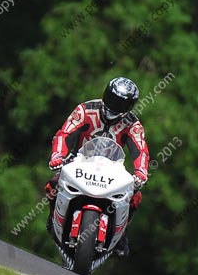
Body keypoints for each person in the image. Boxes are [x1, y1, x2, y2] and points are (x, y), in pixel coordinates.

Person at [45, 77, 149, 256]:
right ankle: (53, 217)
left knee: (135, 197)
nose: (113, 106)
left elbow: (140, 150)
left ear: (130, 106)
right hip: (79, 161)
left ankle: (122, 233)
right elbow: (64, 134)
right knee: (53, 184)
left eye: (120, 104)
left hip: (112, 169)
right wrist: (57, 156)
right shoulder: (84, 110)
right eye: (111, 98)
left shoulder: (133, 124)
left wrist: (141, 172)